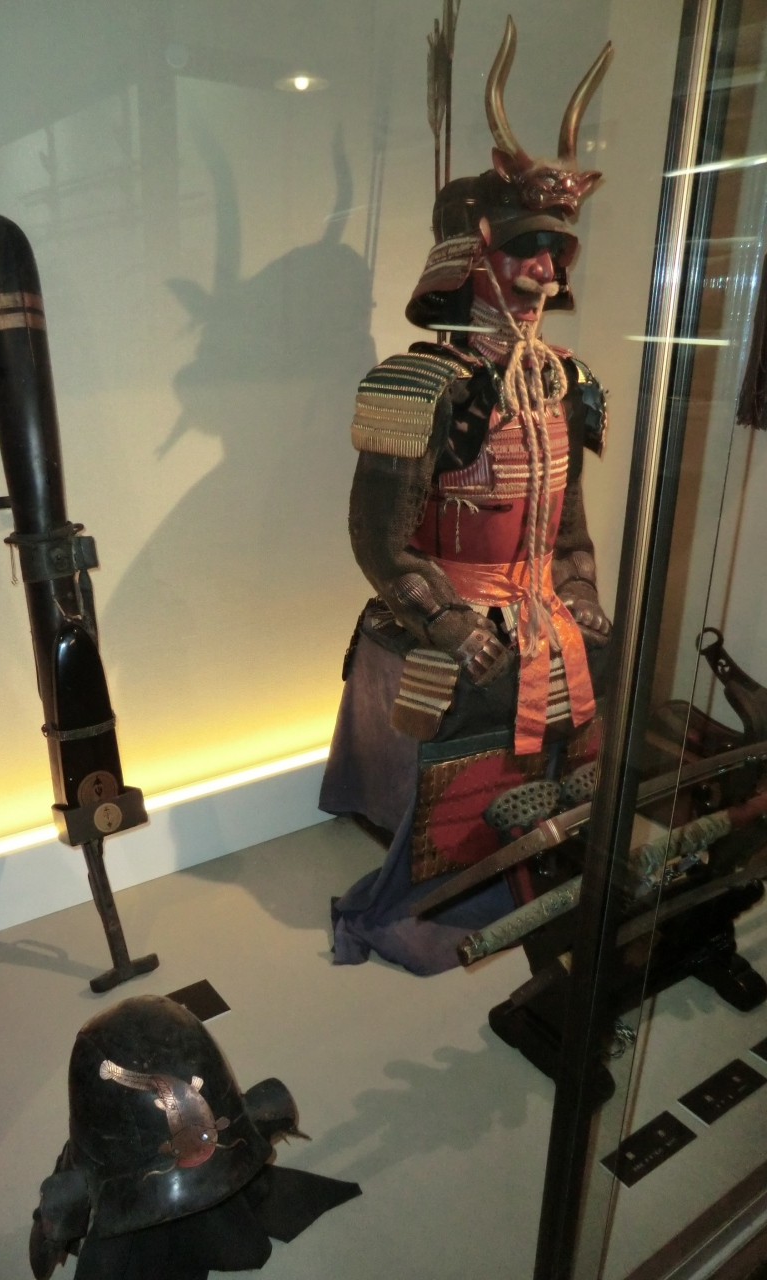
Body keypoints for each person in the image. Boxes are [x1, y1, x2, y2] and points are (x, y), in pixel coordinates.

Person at [322, 19, 614, 975]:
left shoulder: (565, 379)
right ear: (472, 254)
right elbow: (380, 539)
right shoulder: (416, 384)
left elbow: (565, 520)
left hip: (539, 606)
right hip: (448, 605)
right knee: (470, 696)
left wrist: (579, 589)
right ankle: (449, 875)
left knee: (594, 669)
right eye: (531, 248)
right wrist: (448, 623)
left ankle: (545, 853)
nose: (548, 272)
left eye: (558, 252)